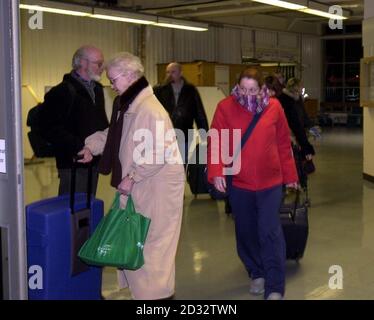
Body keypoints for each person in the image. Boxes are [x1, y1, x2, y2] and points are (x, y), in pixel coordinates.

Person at [78, 52, 185, 300]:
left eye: (114, 80)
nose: (112, 86)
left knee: (152, 250)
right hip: (142, 186)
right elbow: (116, 134)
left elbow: (161, 150)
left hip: (156, 189)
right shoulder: (130, 104)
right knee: (138, 245)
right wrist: (91, 146)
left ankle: (157, 300)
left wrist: (133, 175)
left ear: (129, 75)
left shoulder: (150, 109)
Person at [207, 68, 298, 300]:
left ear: (262, 89)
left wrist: (291, 176)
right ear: (237, 86)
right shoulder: (225, 107)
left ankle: (275, 286)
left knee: (270, 232)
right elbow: (215, 141)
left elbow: (283, 144)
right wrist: (217, 171)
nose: (248, 94)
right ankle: (256, 271)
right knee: (246, 232)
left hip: (270, 183)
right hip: (239, 183)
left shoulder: (274, 107)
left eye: (253, 90)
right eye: (243, 89)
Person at [40, 45, 109, 195]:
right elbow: (49, 128)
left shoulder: (97, 89)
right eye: (98, 63)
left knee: (89, 207)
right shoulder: (62, 91)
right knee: (71, 210)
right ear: (83, 63)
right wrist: (79, 147)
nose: (102, 68)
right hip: (73, 162)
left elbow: (100, 122)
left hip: (94, 160)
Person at [154, 62, 209, 164]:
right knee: (168, 166)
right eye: (167, 72)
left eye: (173, 72)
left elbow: (199, 113)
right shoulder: (160, 90)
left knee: (183, 163)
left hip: (186, 134)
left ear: (180, 73)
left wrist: (204, 136)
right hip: (166, 135)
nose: (170, 75)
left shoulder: (191, 90)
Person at [274, 77, 315, 161]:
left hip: (298, 132)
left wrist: (311, 127)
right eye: (300, 86)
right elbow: (293, 120)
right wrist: (306, 147)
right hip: (289, 133)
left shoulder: (297, 98)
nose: (302, 88)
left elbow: (303, 114)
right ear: (295, 87)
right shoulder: (284, 99)